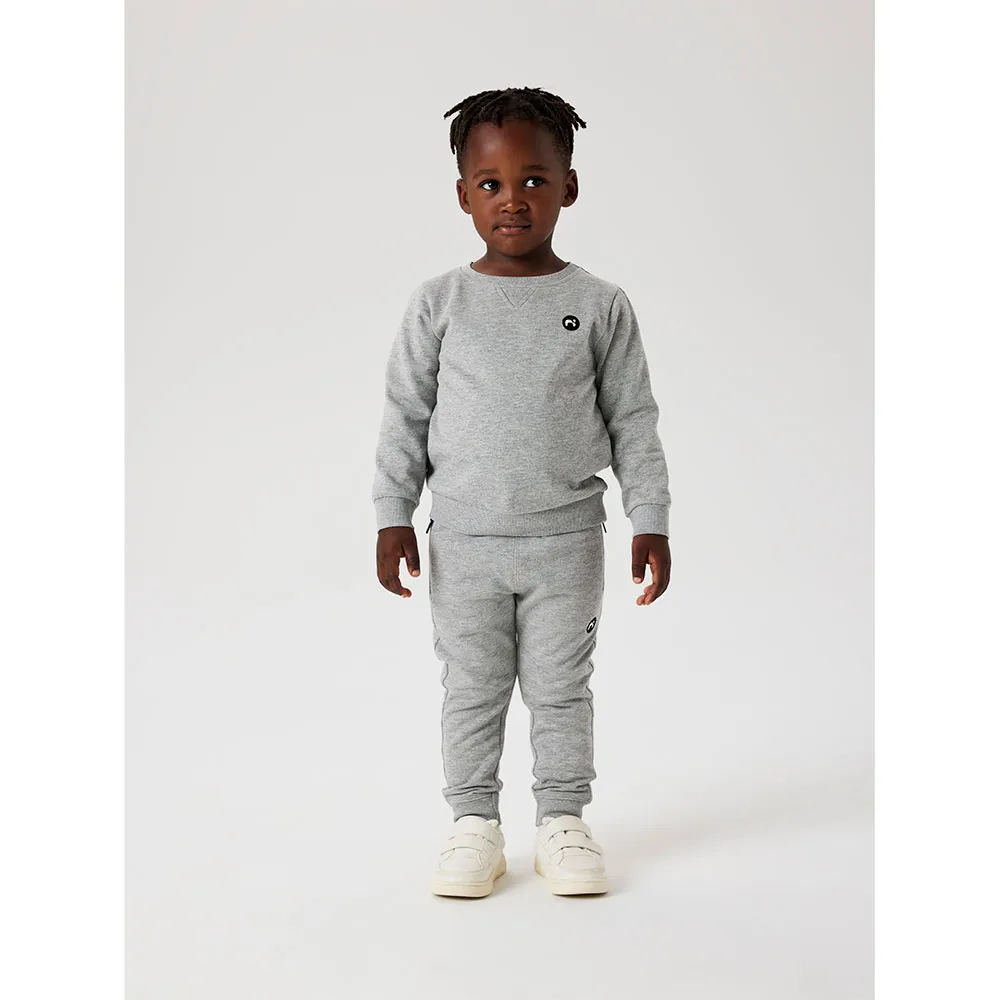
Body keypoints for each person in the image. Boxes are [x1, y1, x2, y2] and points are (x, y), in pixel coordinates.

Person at [371, 87, 672, 898]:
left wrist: (650, 518)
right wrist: (393, 515)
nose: (514, 199)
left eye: (535, 180)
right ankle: (474, 824)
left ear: (568, 187)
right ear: (463, 195)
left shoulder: (599, 305)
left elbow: (633, 417)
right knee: (471, 689)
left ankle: (562, 822)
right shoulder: (439, 303)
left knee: (561, 689)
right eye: (492, 183)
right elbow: (406, 413)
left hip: (566, 543)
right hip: (463, 542)